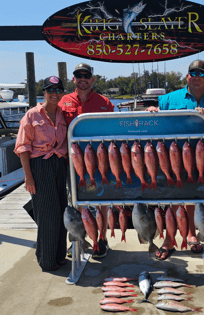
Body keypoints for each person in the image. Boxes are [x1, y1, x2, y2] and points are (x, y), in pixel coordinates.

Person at [146, 59, 204, 260]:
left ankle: (189, 234)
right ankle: (169, 239)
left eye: (201, 74)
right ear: (187, 76)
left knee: (193, 197)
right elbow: (155, 121)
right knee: (171, 197)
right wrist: (152, 111)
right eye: (193, 73)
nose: (196, 78)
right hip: (170, 156)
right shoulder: (169, 99)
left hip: (202, 157)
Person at [59, 63, 114, 259]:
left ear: (92, 79)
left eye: (86, 75)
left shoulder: (105, 103)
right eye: (78, 75)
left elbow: (115, 130)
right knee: (76, 203)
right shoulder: (63, 101)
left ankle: (103, 238)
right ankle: (78, 238)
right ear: (73, 79)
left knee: (103, 202)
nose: (82, 78)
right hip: (72, 163)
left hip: (99, 162)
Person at [14, 76, 68, 271]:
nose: (54, 94)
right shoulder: (31, 115)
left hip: (60, 164)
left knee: (62, 211)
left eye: (58, 90)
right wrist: (28, 176)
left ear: (62, 93)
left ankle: (60, 254)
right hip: (40, 165)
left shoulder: (63, 115)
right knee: (47, 214)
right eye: (50, 90)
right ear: (44, 92)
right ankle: (46, 260)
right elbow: (22, 147)